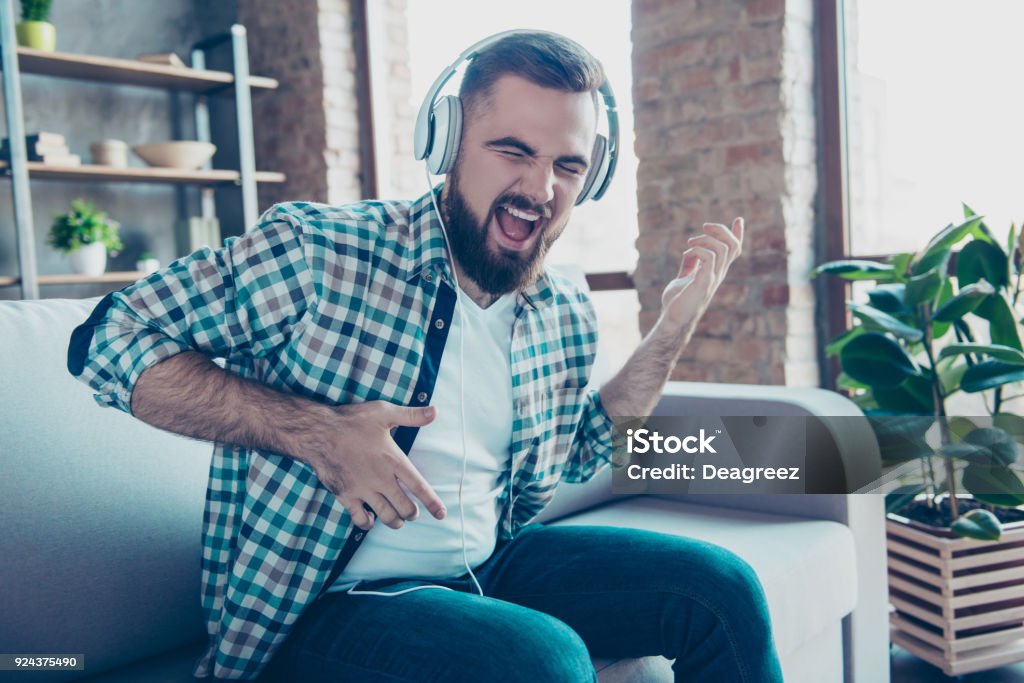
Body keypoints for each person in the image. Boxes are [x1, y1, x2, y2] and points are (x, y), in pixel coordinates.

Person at [68, 30, 782, 683]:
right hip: (323, 603)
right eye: (514, 150)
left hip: (484, 567)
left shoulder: (561, 311)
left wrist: (672, 330)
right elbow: (108, 339)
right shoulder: (322, 253)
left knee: (721, 588)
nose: (540, 189)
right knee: (542, 660)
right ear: (446, 143)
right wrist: (317, 434)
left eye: (568, 164)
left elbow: (580, 452)